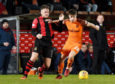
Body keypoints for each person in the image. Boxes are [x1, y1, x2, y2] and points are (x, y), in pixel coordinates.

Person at [20, 4, 63, 80]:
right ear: (41, 12)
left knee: (47, 65)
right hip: (39, 42)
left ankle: (40, 70)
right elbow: (32, 31)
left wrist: (60, 21)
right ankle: (25, 75)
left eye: (47, 12)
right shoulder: (36, 20)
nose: (46, 13)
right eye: (45, 12)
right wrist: (36, 35)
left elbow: (60, 30)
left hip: (48, 43)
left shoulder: (51, 21)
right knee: (33, 58)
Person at [56, 9, 100, 79]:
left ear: (76, 16)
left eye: (74, 16)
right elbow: (58, 21)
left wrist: (96, 26)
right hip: (68, 43)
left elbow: (89, 24)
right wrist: (51, 21)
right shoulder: (67, 21)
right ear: (69, 17)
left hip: (77, 43)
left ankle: (67, 68)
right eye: (71, 17)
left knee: (70, 56)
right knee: (61, 58)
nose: (72, 18)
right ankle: (59, 74)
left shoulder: (80, 22)